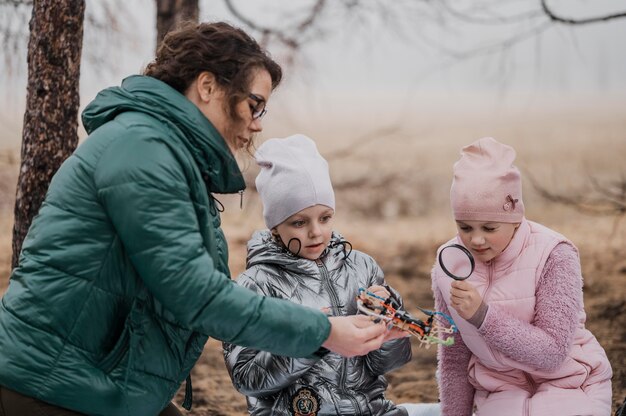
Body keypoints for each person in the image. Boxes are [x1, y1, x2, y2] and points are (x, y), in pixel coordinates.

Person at [0, 22, 389, 416]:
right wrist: (320, 332)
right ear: (207, 87)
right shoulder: (142, 149)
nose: (257, 123)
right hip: (50, 388)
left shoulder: (164, 150)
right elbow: (196, 295)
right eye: (253, 104)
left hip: (94, 379)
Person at [223, 134, 441, 416]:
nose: (316, 232)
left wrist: (389, 324)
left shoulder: (362, 267)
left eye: (325, 218)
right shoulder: (256, 285)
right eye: (299, 222)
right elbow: (247, 378)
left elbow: (386, 364)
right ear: (275, 226)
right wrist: (316, 337)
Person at [431, 137, 613, 416]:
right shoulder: (448, 263)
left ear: (515, 216)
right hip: (500, 393)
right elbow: (454, 360)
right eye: (465, 227)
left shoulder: (554, 254)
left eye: (490, 228)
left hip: (571, 384)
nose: (476, 240)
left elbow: (552, 354)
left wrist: (482, 316)